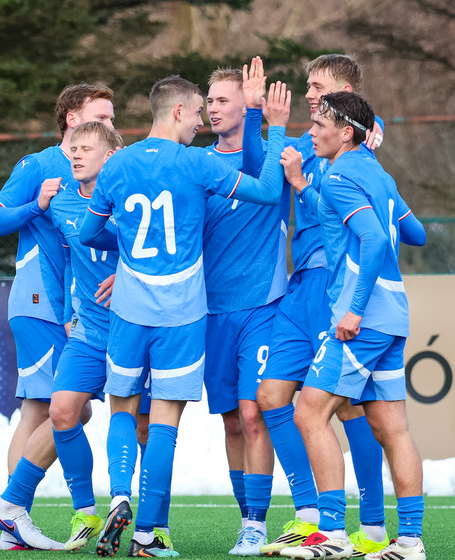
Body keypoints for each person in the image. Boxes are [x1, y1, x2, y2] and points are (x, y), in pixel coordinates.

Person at [80, 74, 290, 558]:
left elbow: (89, 233)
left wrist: (129, 243)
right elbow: (265, 191)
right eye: (198, 111)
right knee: (165, 422)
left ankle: (118, 494)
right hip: (182, 312)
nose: (201, 121)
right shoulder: (197, 163)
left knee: (122, 407)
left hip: (128, 308)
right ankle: (147, 534)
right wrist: (274, 129)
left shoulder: (117, 164)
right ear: (177, 111)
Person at [254, 54, 391, 557]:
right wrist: (257, 116)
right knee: (272, 396)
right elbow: (263, 169)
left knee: (349, 406)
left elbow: (370, 140)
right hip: (301, 285)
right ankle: (310, 515)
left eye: (318, 87)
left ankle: (370, 525)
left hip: (335, 285)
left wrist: (303, 183)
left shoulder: (355, 143)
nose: (309, 94)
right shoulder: (310, 142)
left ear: (345, 95)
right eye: (309, 87)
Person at [279, 91, 426, 560]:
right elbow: (416, 233)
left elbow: (373, 239)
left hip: (362, 320)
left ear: (346, 132)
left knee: (308, 413)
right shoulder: (377, 174)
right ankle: (410, 541)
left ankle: (332, 534)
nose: (312, 132)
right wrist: (303, 186)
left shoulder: (340, 175)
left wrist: (355, 309)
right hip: (394, 315)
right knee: (393, 428)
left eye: (319, 124)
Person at [0, 83, 115, 551]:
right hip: (38, 303)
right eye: (103, 116)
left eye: (112, 117)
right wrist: (36, 204)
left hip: (72, 310)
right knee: (47, 409)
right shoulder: (38, 165)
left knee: (69, 408)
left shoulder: (107, 167)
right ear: (72, 119)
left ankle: (15, 514)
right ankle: (14, 514)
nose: (111, 125)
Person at [202, 59, 291, 556]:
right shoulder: (197, 164)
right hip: (211, 313)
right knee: (232, 422)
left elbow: (262, 173)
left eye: (223, 100)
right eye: (209, 100)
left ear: (245, 105)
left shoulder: (276, 153)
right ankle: (246, 517)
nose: (212, 108)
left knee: (255, 414)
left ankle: (257, 524)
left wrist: (260, 115)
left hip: (263, 306)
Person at [48, 121, 124, 551]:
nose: (76, 155)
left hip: (132, 330)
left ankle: (153, 524)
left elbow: (158, 253)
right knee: (62, 411)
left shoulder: (130, 200)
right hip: (87, 331)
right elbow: (67, 262)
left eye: (86, 149)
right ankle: (85, 512)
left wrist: (125, 274)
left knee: (141, 426)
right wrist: (66, 313)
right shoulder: (60, 204)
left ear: (110, 157)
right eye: (73, 148)